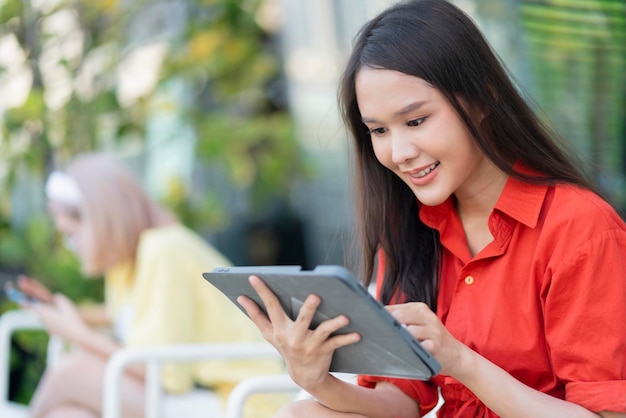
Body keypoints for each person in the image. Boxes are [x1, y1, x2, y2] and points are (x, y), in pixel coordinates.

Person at [235, 0, 626, 417]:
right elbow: (400, 401)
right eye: (379, 130)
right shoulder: (413, 229)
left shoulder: (579, 228)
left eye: (416, 120)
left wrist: (461, 361)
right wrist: (315, 380)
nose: (399, 152)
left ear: (481, 98)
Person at [17, 152, 282, 418]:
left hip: (243, 402)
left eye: (72, 236)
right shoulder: (127, 264)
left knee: (69, 371)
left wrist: (77, 334)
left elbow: (165, 374)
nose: (73, 247)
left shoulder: (163, 250)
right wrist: (60, 311)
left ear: (102, 220)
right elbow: (125, 316)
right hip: (205, 396)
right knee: (67, 414)